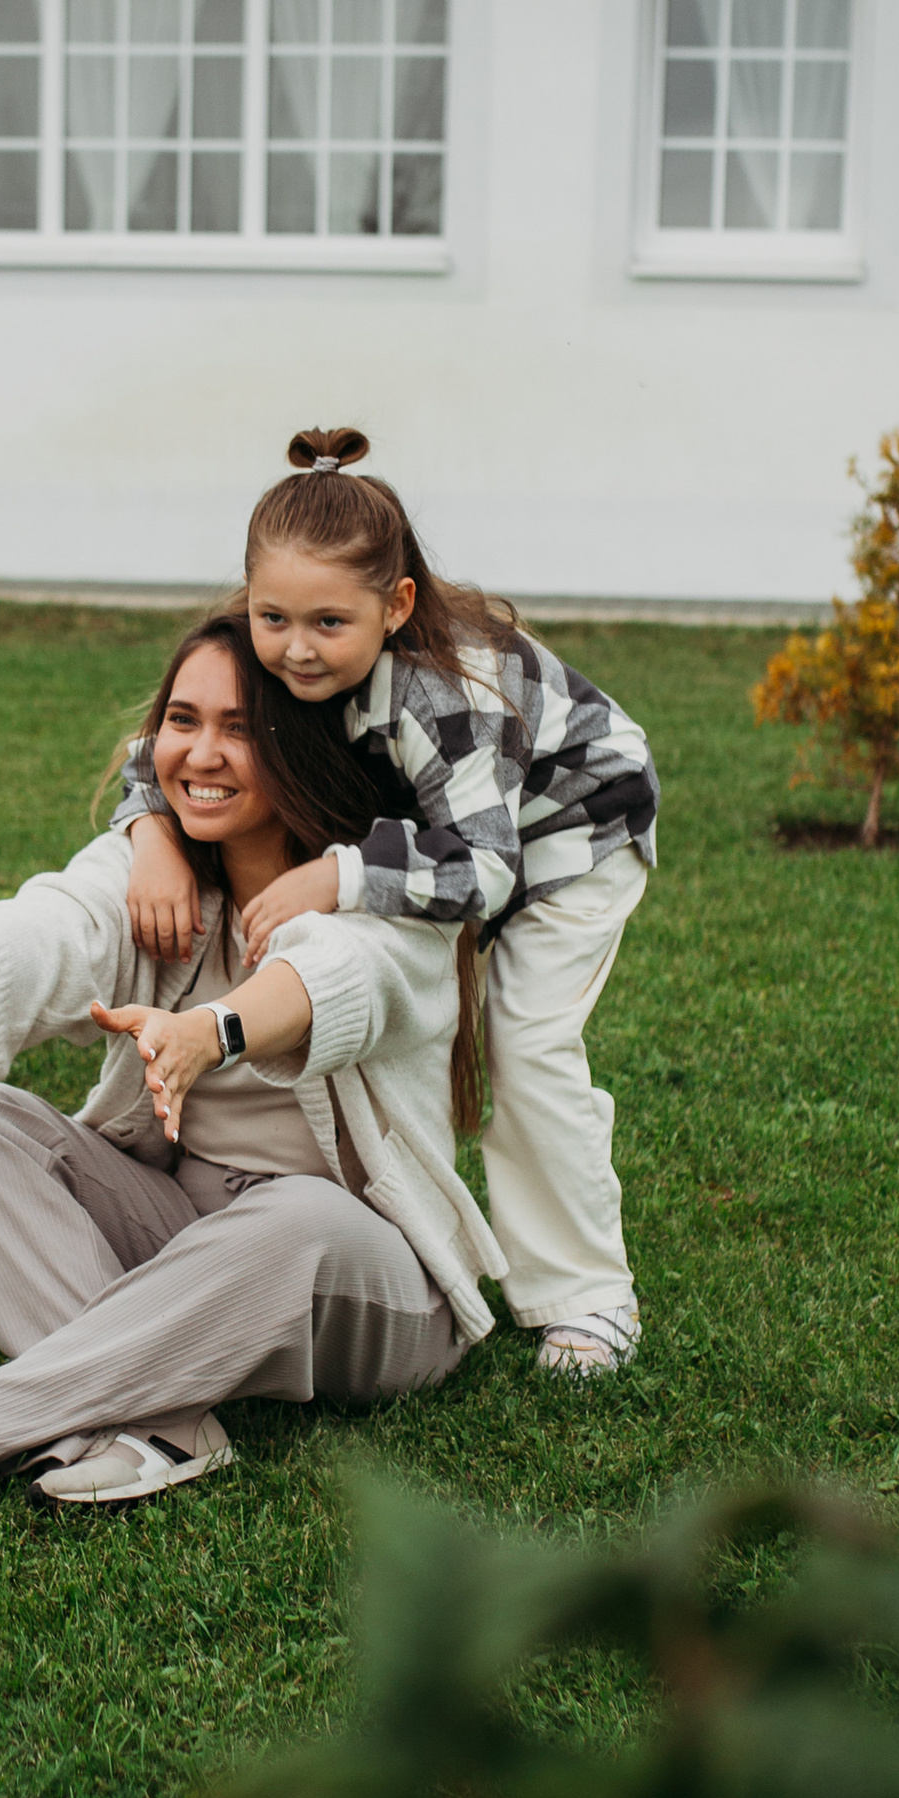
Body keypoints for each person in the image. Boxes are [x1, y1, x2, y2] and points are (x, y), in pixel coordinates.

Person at [0, 608, 502, 1513]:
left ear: (303, 749)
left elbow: (342, 979)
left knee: (294, 1217)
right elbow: (65, 923)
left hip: (367, 1279)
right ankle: (165, 1427)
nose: (199, 754)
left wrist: (213, 1031)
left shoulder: (380, 893)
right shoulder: (158, 871)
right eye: (183, 721)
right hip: (187, 1229)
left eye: (240, 729)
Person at [115, 429, 659, 1378]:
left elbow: (485, 871)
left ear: (396, 604)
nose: (295, 650)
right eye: (273, 617)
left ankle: (588, 1297)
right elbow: (164, 746)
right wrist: (149, 834)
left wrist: (342, 875)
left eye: (330, 623)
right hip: (460, 825)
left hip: (570, 828)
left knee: (523, 1041)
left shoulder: (439, 697)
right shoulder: (277, 651)